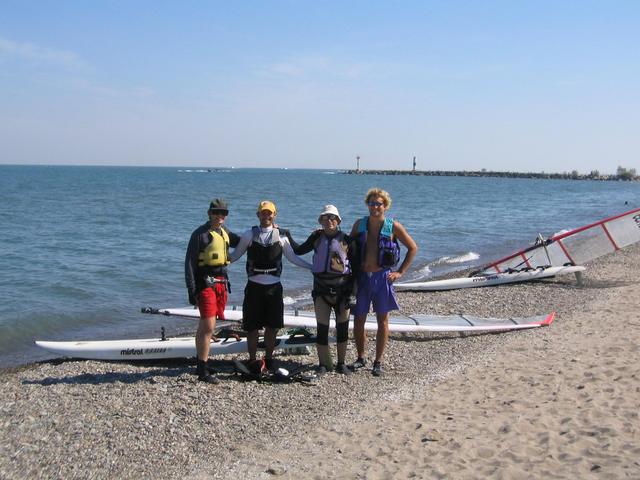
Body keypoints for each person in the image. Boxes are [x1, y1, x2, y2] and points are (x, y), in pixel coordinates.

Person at [229, 200, 311, 370]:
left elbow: (293, 258)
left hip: (274, 288)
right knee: (252, 328)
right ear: (258, 215)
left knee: (272, 327)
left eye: (269, 213)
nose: (266, 215)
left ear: (275, 215)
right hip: (253, 288)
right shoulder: (248, 235)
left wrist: (312, 268)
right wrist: (214, 265)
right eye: (263, 212)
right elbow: (234, 256)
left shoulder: (281, 236)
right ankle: (252, 360)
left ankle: (269, 359)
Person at [350, 188, 417, 376]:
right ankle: (361, 357)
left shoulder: (393, 226)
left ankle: (378, 361)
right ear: (367, 205)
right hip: (363, 278)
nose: (375, 207)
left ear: (385, 206)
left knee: (383, 321)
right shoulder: (359, 225)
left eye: (378, 204)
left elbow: (412, 248)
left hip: (383, 278)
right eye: (371, 203)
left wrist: (400, 272)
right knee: (359, 320)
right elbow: (346, 246)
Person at [291, 205, 358, 375]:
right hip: (321, 290)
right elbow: (298, 250)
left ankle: (341, 363)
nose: (329, 220)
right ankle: (323, 364)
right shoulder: (316, 238)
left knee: (342, 328)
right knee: (322, 328)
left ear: (338, 221)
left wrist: (353, 294)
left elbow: (357, 270)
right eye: (326, 217)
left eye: (333, 217)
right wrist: (286, 235)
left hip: (342, 292)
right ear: (320, 221)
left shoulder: (347, 241)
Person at [185, 198, 240, 384]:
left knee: (209, 326)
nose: (220, 216)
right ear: (209, 214)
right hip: (205, 285)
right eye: (216, 212)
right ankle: (202, 370)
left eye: (223, 213)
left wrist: (272, 230)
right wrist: (192, 290)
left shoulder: (224, 232)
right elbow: (190, 264)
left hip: (221, 284)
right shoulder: (200, 235)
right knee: (208, 327)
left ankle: (203, 363)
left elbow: (244, 241)